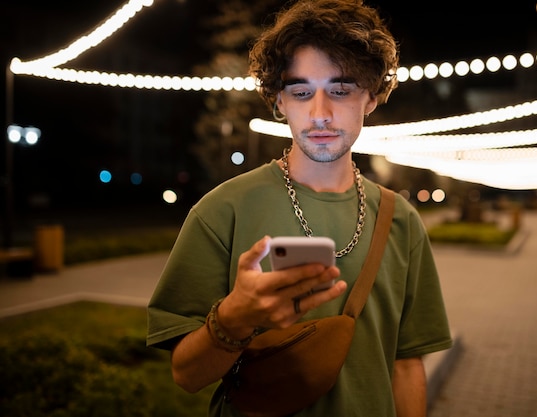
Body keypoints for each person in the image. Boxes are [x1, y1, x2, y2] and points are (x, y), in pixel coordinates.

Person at [147, 0, 452, 416]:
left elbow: (406, 365)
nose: (320, 113)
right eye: (301, 91)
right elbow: (186, 375)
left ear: (373, 97)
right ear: (278, 101)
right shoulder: (221, 211)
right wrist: (233, 320)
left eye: (341, 90)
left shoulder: (401, 221)